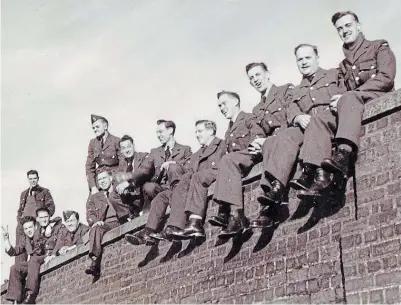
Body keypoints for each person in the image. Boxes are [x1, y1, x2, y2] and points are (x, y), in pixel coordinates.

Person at [297, 11, 396, 199]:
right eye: (340, 28)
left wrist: (351, 94)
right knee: (319, 119)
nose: (344, 31)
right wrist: (337, 99)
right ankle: (319, 175)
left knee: (349, 98)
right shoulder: (342, 66)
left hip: (376, 97)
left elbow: (386, 77)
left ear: (358, 26)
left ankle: (343, 154)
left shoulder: (378, 46)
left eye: (348, 26)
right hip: (352, 106)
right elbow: (342, 91)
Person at [250, 44, 346, 228]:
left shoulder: (333, 74)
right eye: (300, 59)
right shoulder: (297, 89)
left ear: (317, 57)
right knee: (285, 136)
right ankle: (276, 188)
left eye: (307, 58)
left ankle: (318, 175)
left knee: (313, 124)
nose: (303, 62)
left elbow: (346, 92)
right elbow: (292, 108)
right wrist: (297, 116)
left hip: (329, 122)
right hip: (307, 127)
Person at [210, 62, 294, 238]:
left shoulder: (285, 90)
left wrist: (260, 141)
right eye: (251, 78)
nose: (255, 80)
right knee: (228, 160)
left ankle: (264, 207)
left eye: (257, 75)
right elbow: (258, 131)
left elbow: (291, 115)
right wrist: (259, 141)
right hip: (266, 147)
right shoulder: (257, 109)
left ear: (268, 74)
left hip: (284, 141)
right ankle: (236, 213)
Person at [169, 91, 256, 240]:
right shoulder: (229, 129)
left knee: (211, 171)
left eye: (224, 103)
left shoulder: (247, 117)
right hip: (231, 167)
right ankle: (202, 220)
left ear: (235, 101)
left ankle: (228, 215)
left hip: (244, 161)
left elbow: (256, 135)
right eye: (219, 105)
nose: (222, 107)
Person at [146, 120, 225, 241]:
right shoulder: (197, 154)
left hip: (210, 179)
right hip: (196, 182)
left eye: (200, 131)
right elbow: (189, 173)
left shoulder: (222, 145)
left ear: (210, 131)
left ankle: (183, 224)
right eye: (196, 132)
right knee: (163, 195)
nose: (197, 135)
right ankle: (169, 228)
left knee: (193, 178)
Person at [124, 120, 192, 245]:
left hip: (179, 189)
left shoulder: (185, 150)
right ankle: (147, 233)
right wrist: (129, 182)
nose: (158, 135)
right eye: (157, 133)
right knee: (149, 188)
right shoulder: (155, 152)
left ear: (170, 130)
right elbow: (144, 170)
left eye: (161, 132)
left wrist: (173, 164)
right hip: (162, 190)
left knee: (173, 168)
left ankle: (172, 223)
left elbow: (189, 170)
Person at [85, 170, 132, 276]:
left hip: (121, 221)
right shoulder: (93, 198)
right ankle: (93, 260)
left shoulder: (119, 189)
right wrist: (96, 222)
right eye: (99, 179)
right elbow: (90, 214)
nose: (102, 181)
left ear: (110, 178)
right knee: (96, 228)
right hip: (106, 224)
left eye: (104, 178)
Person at [3, 217, 47, 304]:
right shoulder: (25, 239)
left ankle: (30, 294)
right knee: (15, 268)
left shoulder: (42, 233)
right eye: (26, 229)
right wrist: (6, 239)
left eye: (30, 227)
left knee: (33, 260)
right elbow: (14, 251)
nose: (28, 230)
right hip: (33, 263)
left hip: (44, 257)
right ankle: (15, 299)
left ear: (35, 227)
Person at [15, 170, 55, 263]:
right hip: (22, 225)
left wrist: (44, 220)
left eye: (35, 178)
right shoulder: (24, 194)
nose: (33, 181)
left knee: (35, 248)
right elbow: (20, 210)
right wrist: (19, 219)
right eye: (30, 179)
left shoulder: (44, 192)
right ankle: (21, 270)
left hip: (35, 224)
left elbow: (51, 207)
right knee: (20, 250)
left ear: (38, 179)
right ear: (28, 179)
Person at [113, 135, 150, 217]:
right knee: (113, 194)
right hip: (133, 197)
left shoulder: (144, 156)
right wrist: (119, 187)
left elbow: (144, 172)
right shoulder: (121, 166)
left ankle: (144, 211)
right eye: (124, 148)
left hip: (144, 193)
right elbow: (117, 181)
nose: (127, 150)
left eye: (129, 146)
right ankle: (129, 215)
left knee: (148, 187)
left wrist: (128, 182)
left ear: (133, 146)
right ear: (121, 151)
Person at [85, 114, 121, 195]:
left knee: (115, 200)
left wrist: (115, 183)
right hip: (100, 180)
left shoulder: (116, 141)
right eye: (93, 128)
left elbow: (123, 163)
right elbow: (89, 167)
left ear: (105, 126)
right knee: (93, 202)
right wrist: (93, 187)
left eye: (97, 127)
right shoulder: (92, 143)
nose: (95, 130)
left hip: (114, 178)